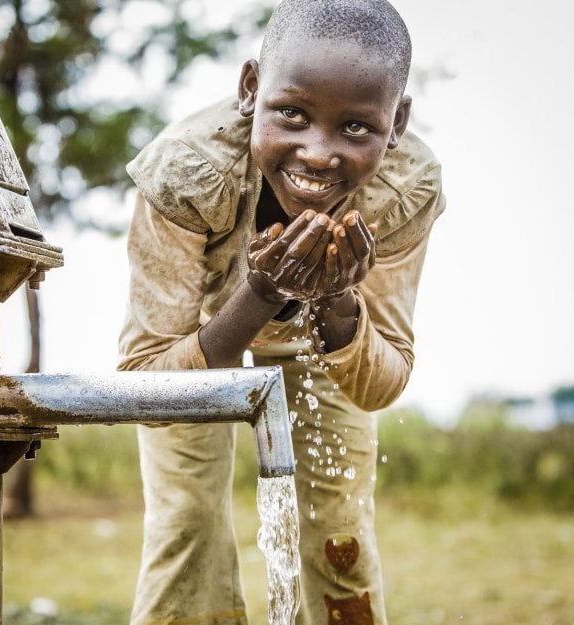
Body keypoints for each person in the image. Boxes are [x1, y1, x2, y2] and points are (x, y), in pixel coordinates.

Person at [118, 0, 445, 623]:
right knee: (186, 524)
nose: (319, 153)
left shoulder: (403, 192)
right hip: (196, 344)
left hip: (325, 343)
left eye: (356, 128)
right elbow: (147, 386)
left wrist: (338, 298)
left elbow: (381, 382)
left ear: (396, 122)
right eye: (291, 113)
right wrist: (261, 294)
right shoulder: (190, 170)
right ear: (250, 90)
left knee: (339, 532)